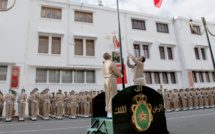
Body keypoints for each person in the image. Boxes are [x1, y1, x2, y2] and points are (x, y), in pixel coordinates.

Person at [103, 52, 122, 119]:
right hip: (111, 80)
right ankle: (111, 113)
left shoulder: (104, 63)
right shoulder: (112, 62)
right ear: (109, 56)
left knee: (107, 96)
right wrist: (120, 75)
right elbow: (115, 71)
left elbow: (112, 70)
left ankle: (108, 113)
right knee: (112, 95)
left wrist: (118, 69)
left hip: (106, 80)